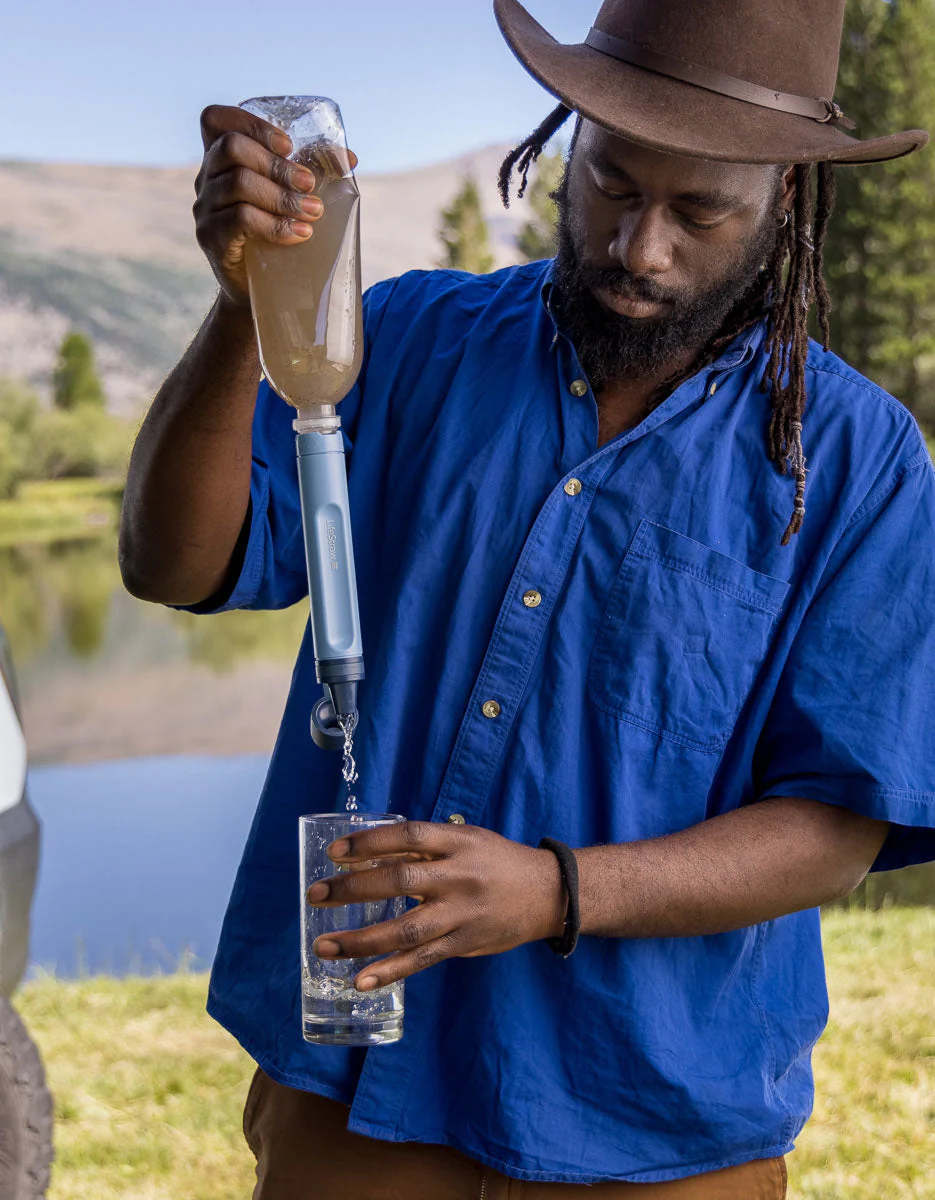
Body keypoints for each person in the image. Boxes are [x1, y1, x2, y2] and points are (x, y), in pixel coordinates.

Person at [119, 0, 935, 1196]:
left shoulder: (858, 462)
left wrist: (555, 891)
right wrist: (247, 307)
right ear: (570, 140)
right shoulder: (397, 343)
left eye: (698, 211)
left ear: (783, 205)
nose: (639, 248)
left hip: (658, 1122)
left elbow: (835, 827)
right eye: (610, 185)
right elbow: (173, 563)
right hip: (355, 1089)